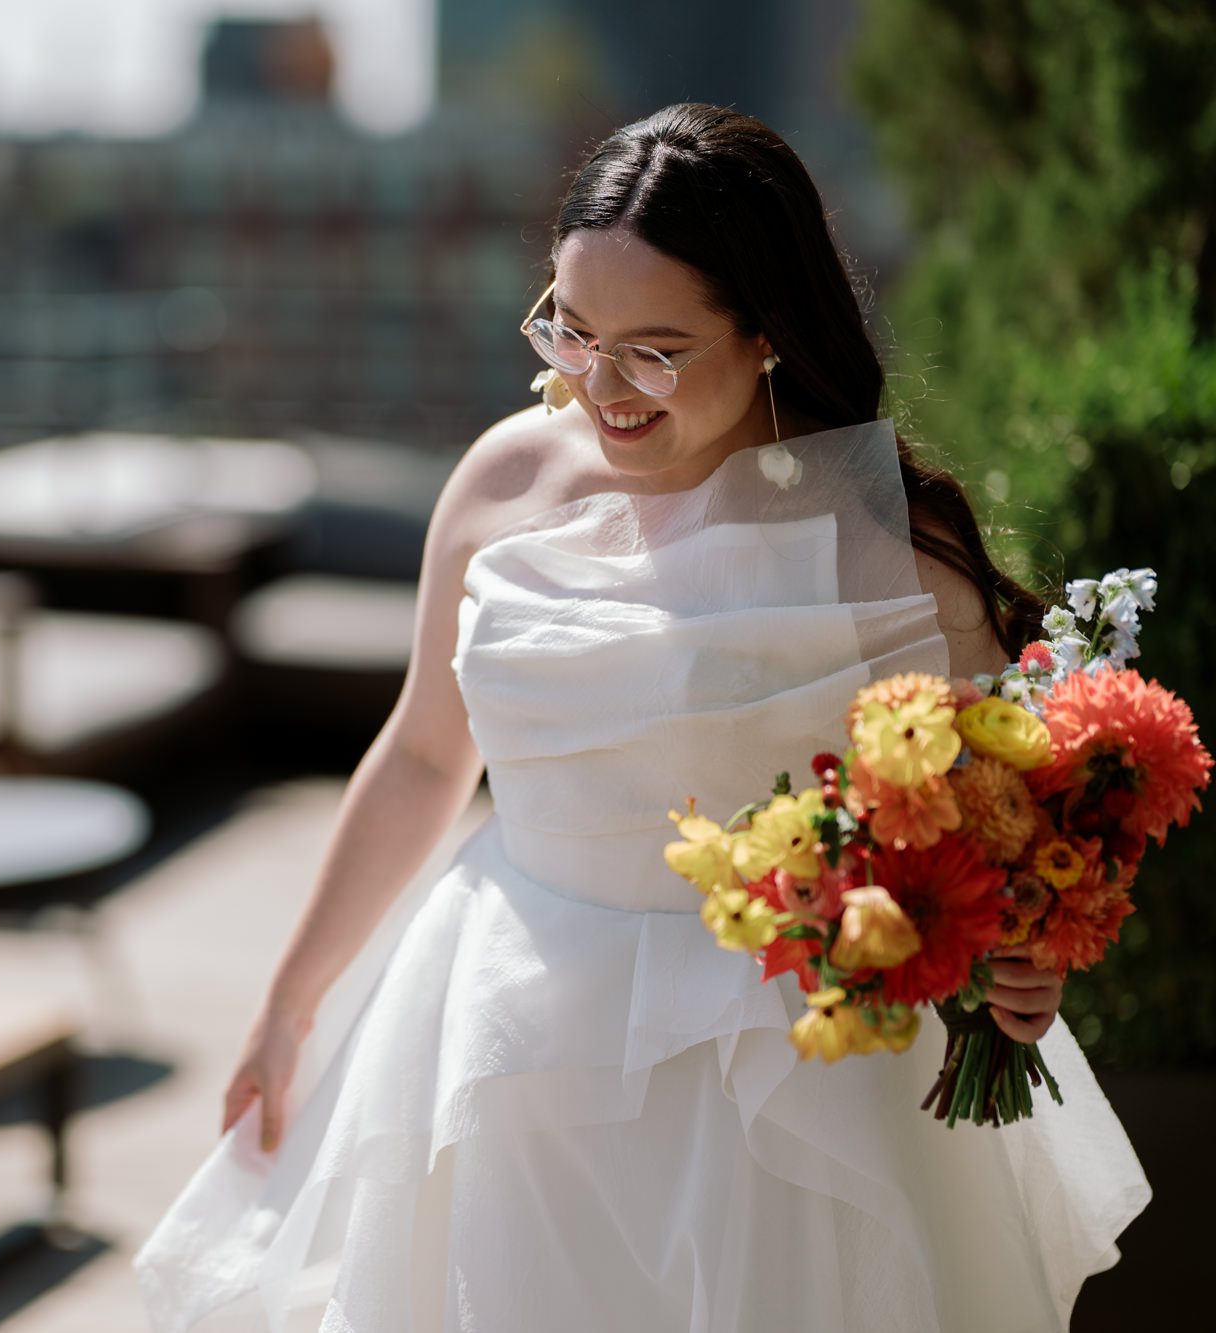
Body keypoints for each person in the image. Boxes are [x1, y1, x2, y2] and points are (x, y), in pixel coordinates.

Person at [131, 104, 1150, 1332]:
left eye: (652, 352)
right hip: (509, 1039)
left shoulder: (882, 542)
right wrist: (292, 998)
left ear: (765, 332)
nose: (597, 387)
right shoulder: (503, 476)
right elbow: (421, 754)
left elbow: (989, 821)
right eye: (569, 330)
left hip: (779, 1076)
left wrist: (1021, 959)